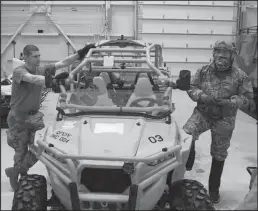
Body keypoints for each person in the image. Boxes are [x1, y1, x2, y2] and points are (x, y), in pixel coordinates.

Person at [5, 43, 96, 191]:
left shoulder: (41, 69)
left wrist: (80, 54)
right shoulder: (19, 71)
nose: (38, 59)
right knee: (20, 150)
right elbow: (33, 79)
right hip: (18, 118)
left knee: (44, 147)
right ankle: (18, 176)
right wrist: (52, 81)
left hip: (34, 117)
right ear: (26, 57)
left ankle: (15, 171)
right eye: (35, 56)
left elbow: (63, 63)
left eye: (39, 55)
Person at [183, 40, 254, 203]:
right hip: (203, 114)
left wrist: (233, 101)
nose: (221, 56)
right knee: (186, 134)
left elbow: (250, 100)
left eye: (225, 52)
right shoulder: (203, 71)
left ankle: (214, 190)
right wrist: (203, 96)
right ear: (213, 53)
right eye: (218, 52)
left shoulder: (240, 76)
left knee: (219, 154)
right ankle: (188, 162)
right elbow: (191, 87)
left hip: (225, 118)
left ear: (232, 56)